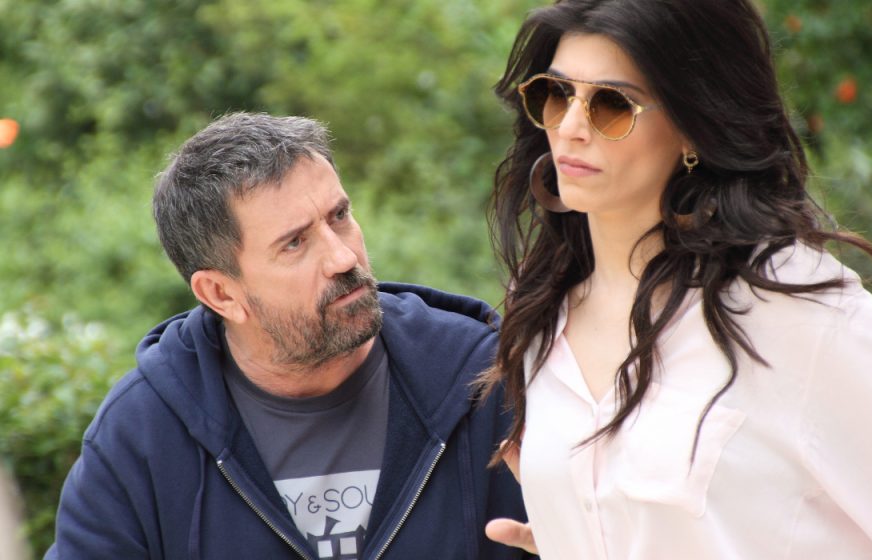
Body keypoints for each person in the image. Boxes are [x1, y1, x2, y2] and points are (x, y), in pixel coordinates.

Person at [480, 0, 872, 558]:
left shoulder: (797, 312)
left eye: (612, 104)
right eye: (556, 93)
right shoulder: (541, 314)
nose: (569, 127)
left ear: (693, 127)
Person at [45, 112, 529, 560]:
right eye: (295, 243)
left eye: (339, 217)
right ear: (221, 293)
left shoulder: (486, 380)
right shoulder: (141, 435)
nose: (343, 257)